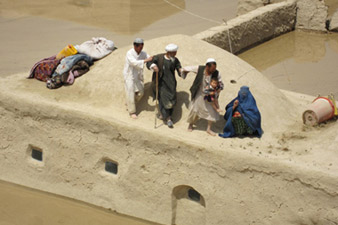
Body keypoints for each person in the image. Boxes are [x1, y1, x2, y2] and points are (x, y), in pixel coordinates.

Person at [146, 43, 183, 128]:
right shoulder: (158, 57)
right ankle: (168, 118)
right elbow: (149, 62)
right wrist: (153, 66)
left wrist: (182, 71)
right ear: (169, 52)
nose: (175, 54)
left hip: (171, 83)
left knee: (171, 100)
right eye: (174, 52)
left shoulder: (175, 60)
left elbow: (179, 68)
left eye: (175, 52)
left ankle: (163, 115)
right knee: (163, 100)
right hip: (160, 83)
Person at [185, 58, 224, 136]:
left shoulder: (217, 73)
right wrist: (182, 70)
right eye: (212, 69)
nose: (213, 70)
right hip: (200, 93)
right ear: (207, 66)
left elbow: (221, 83)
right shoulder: (200, 69)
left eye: (214, 69)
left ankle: (208, 129)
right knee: (194, 109)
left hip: (210, 95)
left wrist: (218, 89)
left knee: (212, 111)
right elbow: (189, 68)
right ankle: (191, 124)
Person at [123, 38, 153, 119]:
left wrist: (153, 65)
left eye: (141, 46)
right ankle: (132, 112)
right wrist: (146, 60)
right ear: (134, 46)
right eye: (138, 46)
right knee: (130, 92)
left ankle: (130, 102)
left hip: (138, 76)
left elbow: (150, 59)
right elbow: (134, 63)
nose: (140, 48)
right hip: (129, 75)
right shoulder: (129, 53)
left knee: (141, 92)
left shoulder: (143, 53)